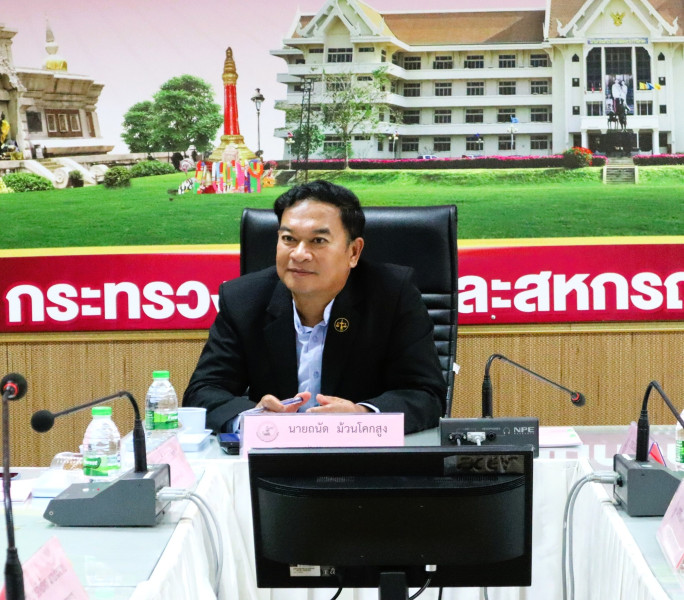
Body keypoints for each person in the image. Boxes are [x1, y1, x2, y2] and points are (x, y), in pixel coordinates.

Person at [183, 180, 446, 434]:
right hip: (274, 453)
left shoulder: (392, 295)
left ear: (353, 252)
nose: (299, 254)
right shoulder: (242, 299)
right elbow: (203, 391)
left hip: (364, 455)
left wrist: (362, 416)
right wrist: (251, 418)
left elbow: (426, 395)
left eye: (318, 241)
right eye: (288, 238)